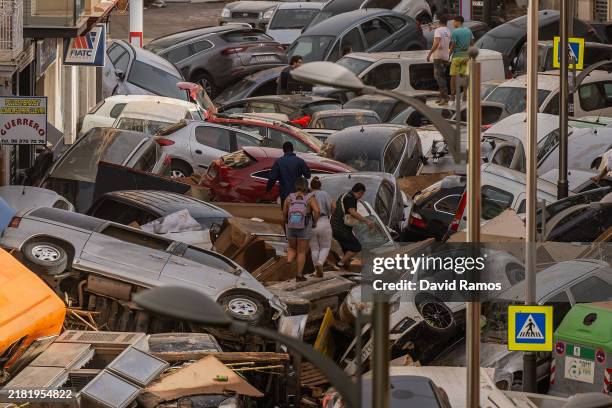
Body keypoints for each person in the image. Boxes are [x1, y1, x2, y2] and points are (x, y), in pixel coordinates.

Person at [284, 177, 320, 282]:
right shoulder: (310, 198)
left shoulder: (289, 197)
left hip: (291, 226)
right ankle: (299, 275)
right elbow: (317, 211)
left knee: (291, 247)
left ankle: (288, 262)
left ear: (296, 186)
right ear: (306, 186)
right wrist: (314, 222)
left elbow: (284, 212)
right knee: (301, 252)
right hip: (304, 226)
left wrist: (286, 222)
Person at [331, 183, 374, 268]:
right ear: (360, 192)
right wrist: (366, 221)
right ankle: (339, 264)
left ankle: (344, 266)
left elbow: (334, 205)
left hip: (336, 227)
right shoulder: (351, 198)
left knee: (347, 249)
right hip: (342, 229)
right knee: (356, 247)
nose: (361, 197)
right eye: (362, 194)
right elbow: (352, 212)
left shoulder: (344, 195)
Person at [308, 177, 336, 277]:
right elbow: (334, 206)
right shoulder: (325, 194)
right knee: (325, 246)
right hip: (324, 221)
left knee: (314, 248)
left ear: (310, 186)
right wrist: (331, 215)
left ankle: (316, 270)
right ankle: (320, 263)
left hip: (310, 223)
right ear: (320, 186)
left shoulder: (308, 196)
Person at [427, 14, 451, 105]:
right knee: (440, 77)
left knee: (439, 78)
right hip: (445, 57)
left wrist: (430, 53)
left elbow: (436, 43)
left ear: (439, 22)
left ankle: (445, 98)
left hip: (438, 56)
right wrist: (433, 27)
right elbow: (440, 29)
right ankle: (442, 96)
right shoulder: (448, 31)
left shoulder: (438, 30)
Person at [449, 15, 474, 102]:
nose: (453, 23)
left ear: (458, 22)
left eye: (454, 21)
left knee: (453, 77)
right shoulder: (469, 31)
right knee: (465, 77)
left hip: (456, 57)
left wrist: (448, 55)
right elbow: (471, 44)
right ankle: (465, 96)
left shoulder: (455, 32)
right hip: (466, 57)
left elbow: (453, 45)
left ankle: (452, 96)